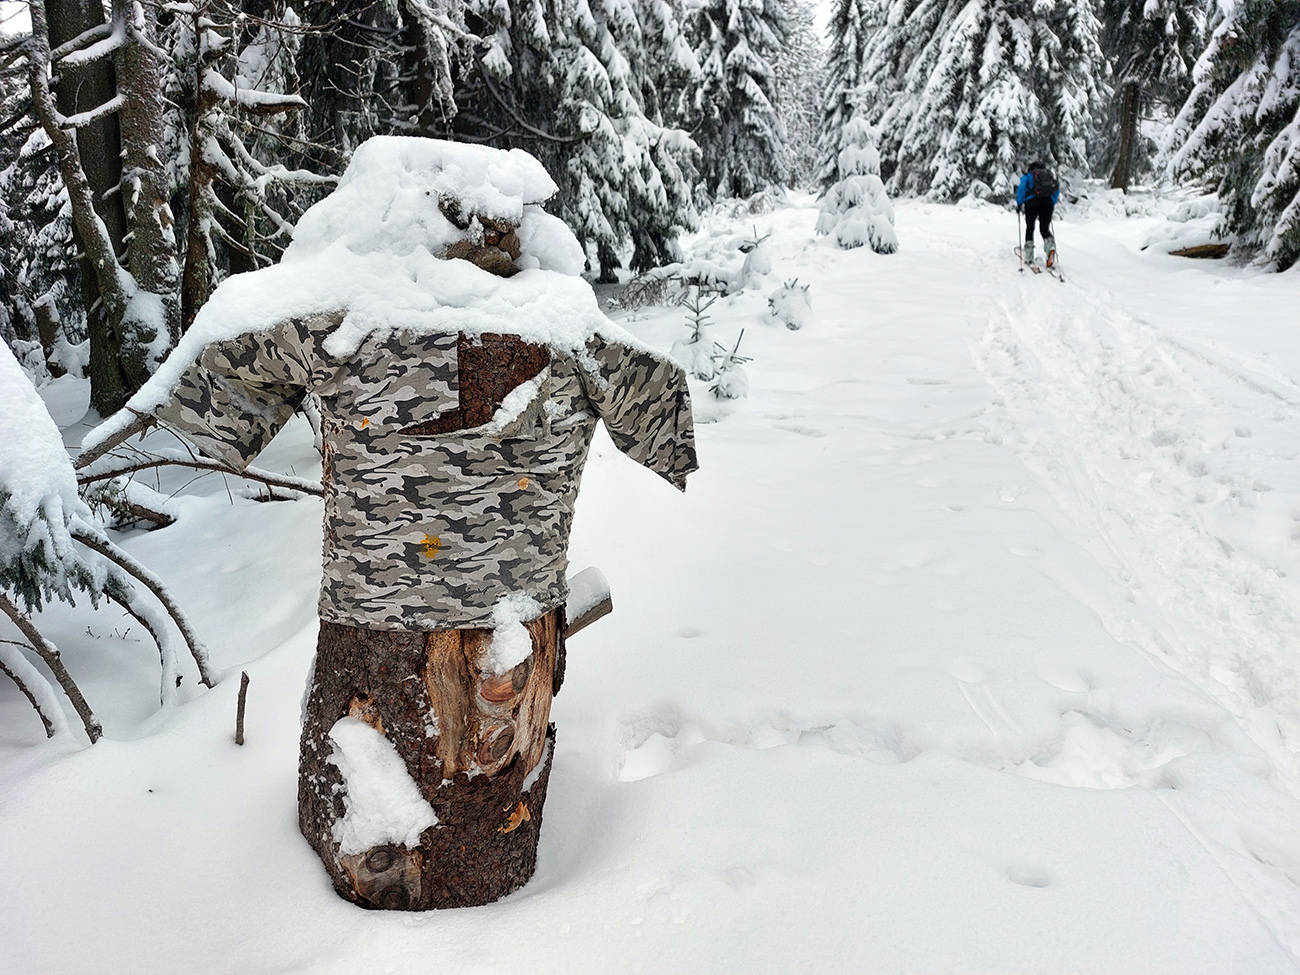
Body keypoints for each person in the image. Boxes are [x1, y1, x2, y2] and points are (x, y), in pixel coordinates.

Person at [1016, 161, 1060, 267]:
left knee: (1030, 228)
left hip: (1031, 203)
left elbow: (1022, 188)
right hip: (1047, 203)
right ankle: (1050, 249)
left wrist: (1019, 203)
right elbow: (1056, 189)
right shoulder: (1049, 176)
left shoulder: (1028, 176)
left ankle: (1029, 255)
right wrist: (1051, 202)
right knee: (1044, 229)